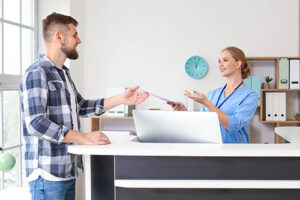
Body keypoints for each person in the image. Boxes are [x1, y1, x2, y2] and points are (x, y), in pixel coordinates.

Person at [20, 12, 149, 200]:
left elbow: (81, 106)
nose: (78, 40)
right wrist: (83, 137)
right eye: (74, 35)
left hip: (67, 170)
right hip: (47, 175)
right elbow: (36, 123)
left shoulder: (63, 73)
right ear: (59, 36)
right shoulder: (37, 72)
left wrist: (121, 99)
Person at [168, 46, 258, 143]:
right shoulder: (213, 94)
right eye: (219, 61)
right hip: (210, 149)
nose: (220, 65)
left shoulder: (250, 96)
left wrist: (207, 103)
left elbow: (234, 126)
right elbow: (201, 122)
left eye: (225, 60)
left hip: (234, 152)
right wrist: (183, 112)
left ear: (238, 64)